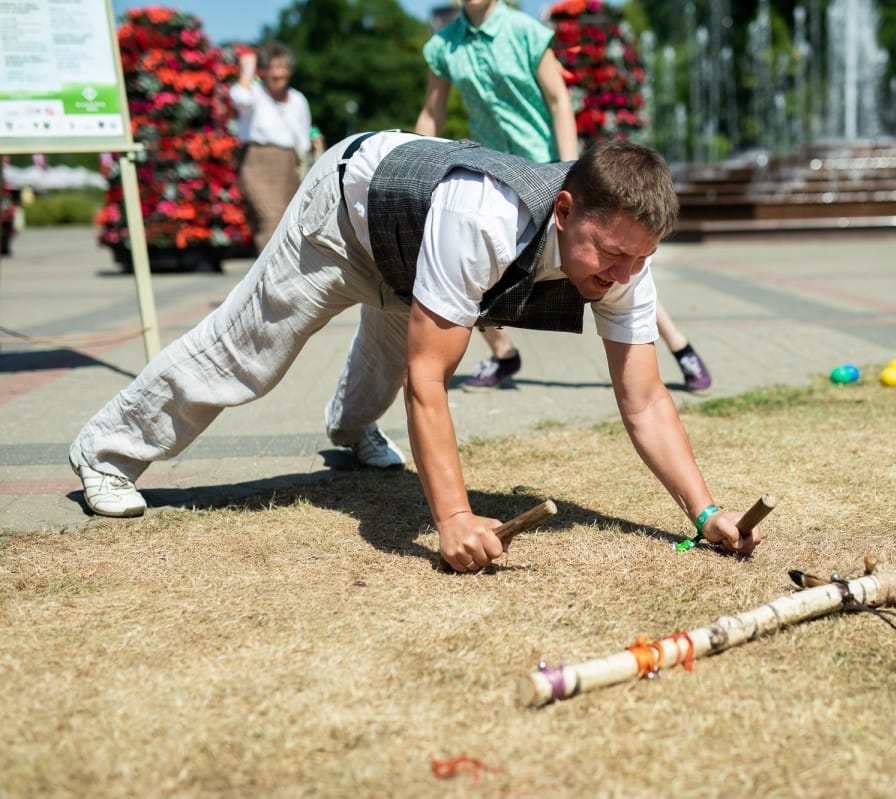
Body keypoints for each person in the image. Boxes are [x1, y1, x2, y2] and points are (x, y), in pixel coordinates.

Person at [67, 133, 762, 571]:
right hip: (343, 216)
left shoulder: (625, 259)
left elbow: (642, 398)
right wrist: (453, 517)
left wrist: (705, 514)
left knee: (396, 336)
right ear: (564, 209)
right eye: (608, 255)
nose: (621, 276)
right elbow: (428, 381)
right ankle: (106, 451)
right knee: (252, 354)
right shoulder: (485, 218)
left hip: (413, 246)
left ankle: (349, 429)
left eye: (637, 261)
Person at [414, 0, 712, 393]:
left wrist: (568, 169)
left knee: (617, 262)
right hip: (492, 177)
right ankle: (503, 353)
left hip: (544, 167)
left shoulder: (525, 33)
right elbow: (431, 113)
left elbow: (559, 100)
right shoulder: (445, 46)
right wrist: (420, 165)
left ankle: (679, 346)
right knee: (464, 256)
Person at [231, 42, 321, 253]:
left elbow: (303, 137)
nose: (277, 73)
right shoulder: (254, 93)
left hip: (288, 164)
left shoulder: (298, 100)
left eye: (282, 67)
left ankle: (280, 272)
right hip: (257, 162)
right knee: (270, 218)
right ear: (263, 71)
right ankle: (271, 276)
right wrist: (247, 69)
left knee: (287, 220)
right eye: (272, 67)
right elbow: (239, 97)